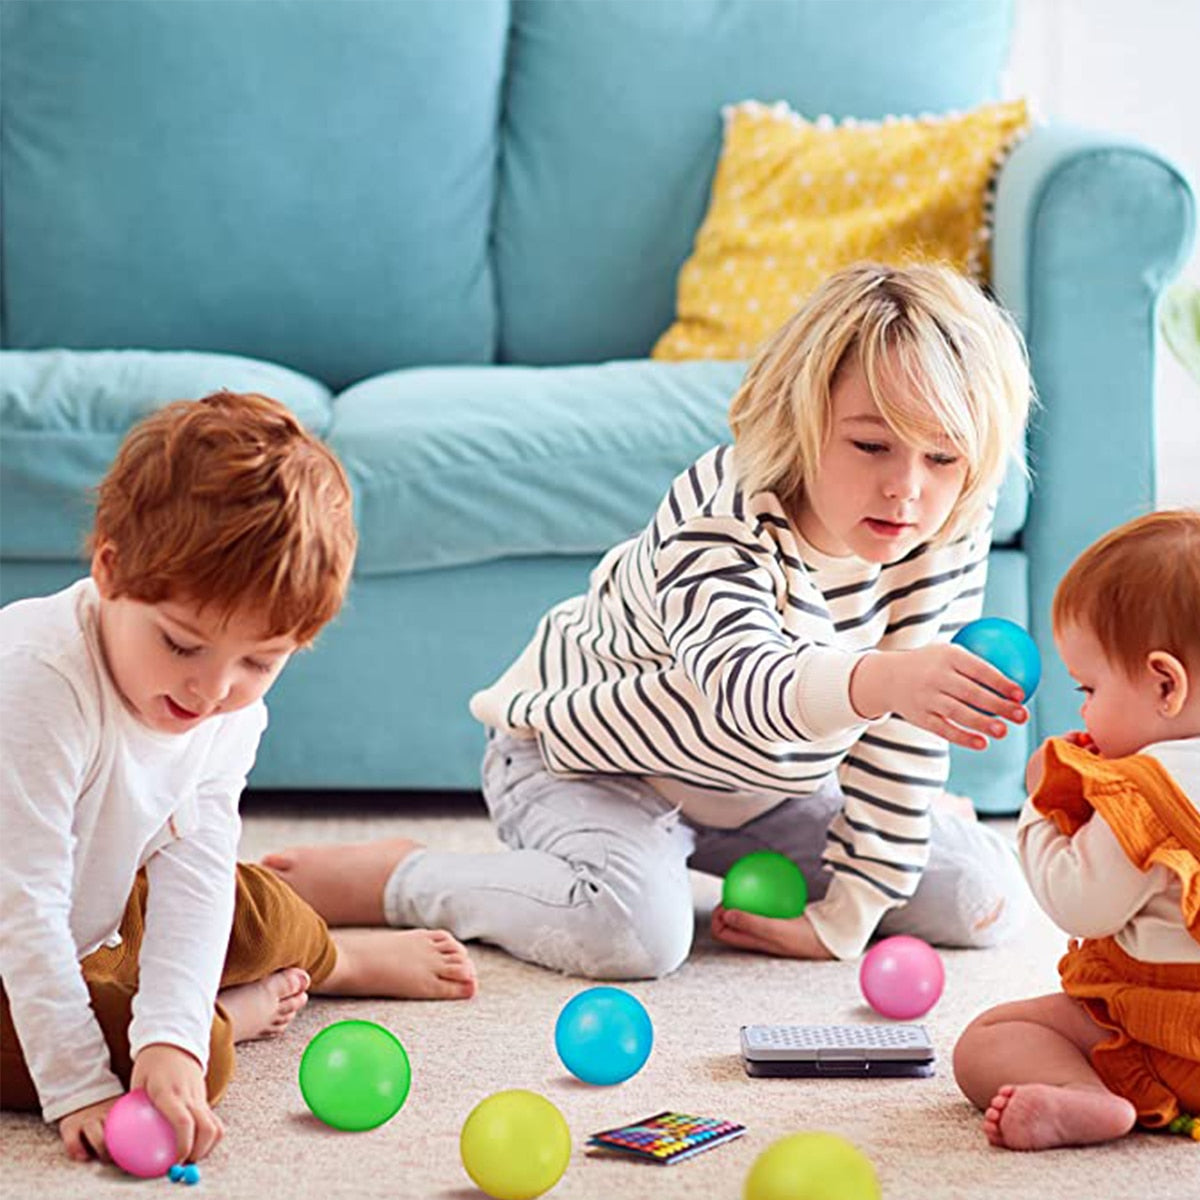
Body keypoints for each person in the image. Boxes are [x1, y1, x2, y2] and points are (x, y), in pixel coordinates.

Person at [265, 261, 1034, 977]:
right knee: (635, 936)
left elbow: (904, 723)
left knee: (979, 894)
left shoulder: (943, 522)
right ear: (803, 420)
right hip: (590, 760)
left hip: (767, 789)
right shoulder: (720, 516)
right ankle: (405, 877)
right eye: (871, 444)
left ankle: (723, 852)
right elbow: (749, 689)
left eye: (943, 457)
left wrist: (850, 911)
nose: (906, 487)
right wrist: (891, 680)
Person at [0, 391, 476, 1169]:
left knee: (248, 905)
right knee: (189, 1068)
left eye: (260, 661)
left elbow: (195, 870)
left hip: (91, 915)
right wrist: (87, 1083)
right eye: (183, 646)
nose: (212, 692)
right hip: (15, 935)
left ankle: (335, 961)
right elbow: (25, 913)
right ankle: (236, 1012)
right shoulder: (35, 682)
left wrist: (170, 1032)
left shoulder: (224, 708)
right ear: (110, 570)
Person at [953, 510, 1200, 1150]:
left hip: (1167, 1039)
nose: (1081, 708)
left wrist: (1044, 801)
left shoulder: (1144, 786)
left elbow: (1082, 904)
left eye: (1088, 687)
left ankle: (1085, 1097)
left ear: (1164, 684)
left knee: (989, 1038)